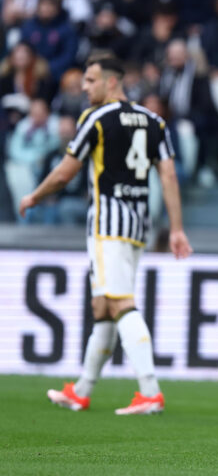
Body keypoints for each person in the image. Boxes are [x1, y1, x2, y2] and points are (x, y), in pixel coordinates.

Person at [18, 55, 193, 415]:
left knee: (119, 303)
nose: (84, 88)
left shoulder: (96, 119)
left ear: (112, 82)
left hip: (107, 225)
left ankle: (149, 391)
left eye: (90, 81)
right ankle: (81, 390)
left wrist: (35, 195)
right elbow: (169, 176)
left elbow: (66, 173)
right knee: (103, 306)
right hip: (137, 225)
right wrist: (175, 228)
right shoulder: (154, 121)